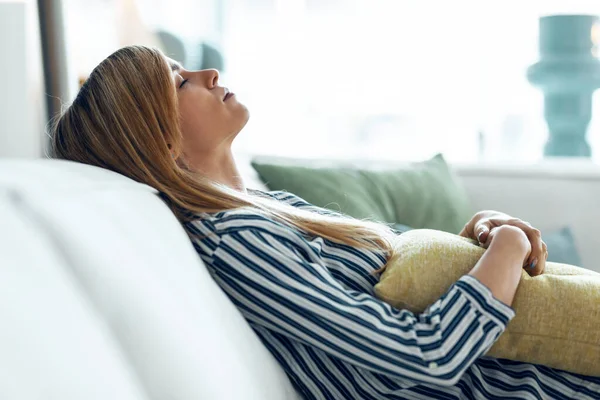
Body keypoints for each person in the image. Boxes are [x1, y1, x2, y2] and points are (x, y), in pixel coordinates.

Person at [50, 45, 600, 399]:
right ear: (159, 139)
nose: (208, 72)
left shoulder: (270, 210)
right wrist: (504, 249)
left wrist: (479, 232)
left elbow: (399, 285)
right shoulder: (236, 242)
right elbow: (423, 357)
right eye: (178, 81)